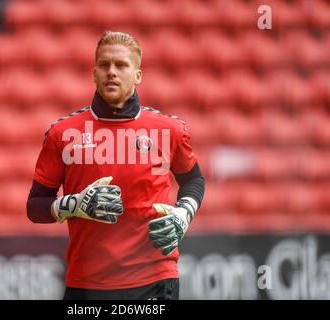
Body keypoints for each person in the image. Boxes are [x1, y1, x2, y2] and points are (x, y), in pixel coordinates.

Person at [26, 31, 205, 300]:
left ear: (137, 75)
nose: (112, 72)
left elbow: (194, 181)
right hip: (87, 283)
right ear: (94, 73)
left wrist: (183, 215)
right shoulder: (62, 134)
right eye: (104, 65)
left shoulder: (168, 130)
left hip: (155, 280)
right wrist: (72, 205)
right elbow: (35, 206)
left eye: (121, 65)